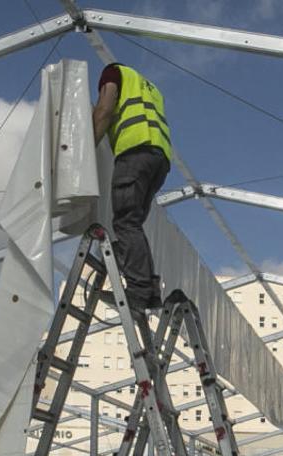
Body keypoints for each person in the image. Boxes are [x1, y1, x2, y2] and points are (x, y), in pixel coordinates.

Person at [92, 63, 173, 314]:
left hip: (134, 152)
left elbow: (105, 109)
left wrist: (86, 148)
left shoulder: (113, 72)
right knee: (133, 224)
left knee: (125, 223)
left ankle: (138, 292)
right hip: (158, 159)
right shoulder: (151, 89)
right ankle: (150, 292)